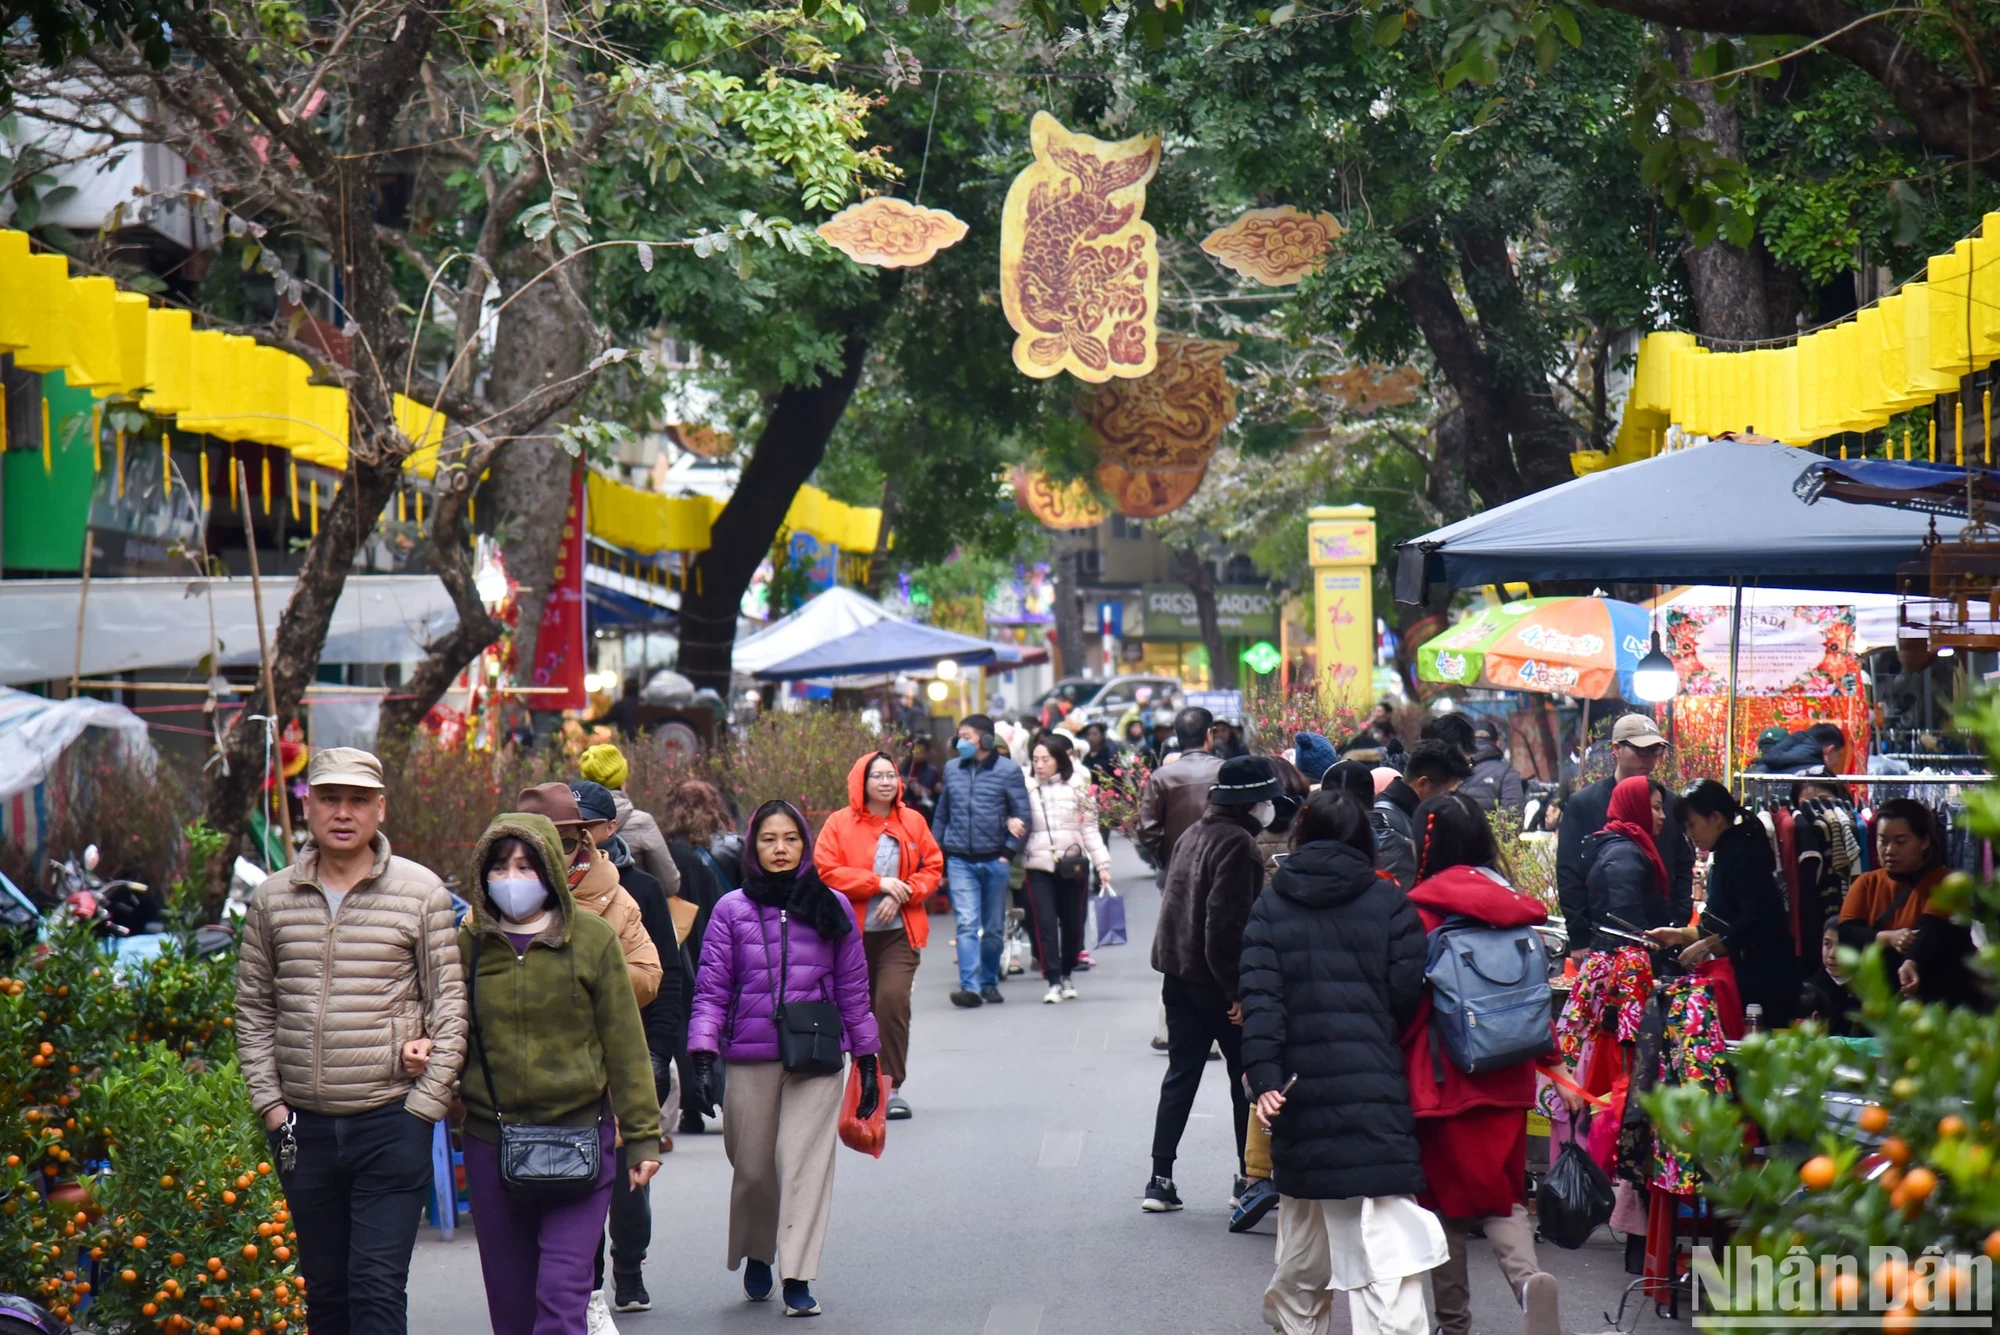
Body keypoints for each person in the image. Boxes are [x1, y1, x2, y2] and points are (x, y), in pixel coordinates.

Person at [235, 747, 468, 1335]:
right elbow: (254, 1010)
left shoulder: (421, 893)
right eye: (330, 798)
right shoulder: (272, 898)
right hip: (302, 1129)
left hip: (391, 1119)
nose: (344, 812)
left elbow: (450, 1006)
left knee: (376, 1289)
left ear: (380, 808)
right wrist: (271, 1106)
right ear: (307, 805)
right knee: (327, 1294)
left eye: (358, 800)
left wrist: (424, 1109)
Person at [1238, 790, 1445, 1335]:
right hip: (1375, 1082)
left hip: (1301, 1091)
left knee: (1305, 1240)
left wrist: (1264, 1076)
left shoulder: (1272, 903)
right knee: (1387, 1241)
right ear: (1363, 839)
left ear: (1303, 834)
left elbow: (1261, 997)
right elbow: (1406, 994)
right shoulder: (1390, 904)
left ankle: (1299, 1326)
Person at [459, 810, 663, 1335]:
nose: (512, 879)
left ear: (551, 869)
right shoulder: (470, 944)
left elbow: (625, 1044)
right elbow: (447, 1029)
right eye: (500, 867)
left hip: (580, 1142)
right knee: (511, 1307)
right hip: (492, 1141)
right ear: (482, 874)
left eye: (527, 867)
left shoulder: (593, 939)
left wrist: (642, 1138)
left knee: (560, 1300)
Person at [685, 802, 882, 1319]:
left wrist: (866, 1057)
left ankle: (797, 1272)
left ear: (805, 844)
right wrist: (702, 1055)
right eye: (769, 839)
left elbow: (854, 991)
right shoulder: (731, 909)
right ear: (753, 846)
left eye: (791, 839)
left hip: (815, 1054)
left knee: (803, 1163)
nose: (780, 849)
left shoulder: (831, 904)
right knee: (752, 1167)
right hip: (749, 1055)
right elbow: (710, 990)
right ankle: (757, 1248)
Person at [1401, 793, 1562, 1335]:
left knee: (1442, 1208)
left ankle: (1454, 1323)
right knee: (1503, 1196)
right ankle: (1528, 1281)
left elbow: (1405, 1006)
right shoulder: (1514, 907)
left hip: (1443, 1080)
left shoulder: (1420, 912)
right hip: (1510, 1074)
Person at [1145, 755, 1279, 1213]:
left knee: (1180, 1075)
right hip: (1214, 980)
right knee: (1245, 1077)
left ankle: (1159, 1179)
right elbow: (1225, 926)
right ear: (1251, 804)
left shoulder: (1192, 834)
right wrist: (1237, 990)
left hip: (1176, 974)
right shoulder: (1238, 845)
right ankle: (1248, 1180)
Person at [571, 779, 684, 1317]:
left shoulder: (638, 890)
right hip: (569, 1060)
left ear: (608, 829)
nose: (577, 840)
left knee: (627, 1174)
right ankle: (586, 1279)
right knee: (578, 1173)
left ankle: (629, 1266)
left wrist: (662, 1053)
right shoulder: (542, 894)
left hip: (630, 1049)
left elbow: (666, 977)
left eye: (585, 828)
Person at [815, 751, 944, 1120]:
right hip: (847, 936)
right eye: (878, 776)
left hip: (898, 935)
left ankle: (890, 1087)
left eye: (892, 776)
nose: (887, 782)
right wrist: (877, 884)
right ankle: (852, 1085)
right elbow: (826, 871)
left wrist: (904, 890)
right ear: (861, 782)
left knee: (891, 1003)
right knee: (852, 1012)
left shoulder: (913, 821)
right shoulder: (839, 823)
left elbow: (932, 866)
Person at [1647, 780, 1799, 1027]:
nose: (1689, 834)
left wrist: (1708, 944)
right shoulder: (1728, 850)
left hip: (1764, 984)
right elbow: (1723, 921)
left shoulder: (1744, 853)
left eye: (1692, 824)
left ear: (1716, 818)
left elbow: (1758, 919)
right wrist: (1676, 935)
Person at [1556, 714, 1693, 959]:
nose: (1650, 758)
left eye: (1655, 750)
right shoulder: (1585, 803)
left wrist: (1678, 922)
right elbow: (1569, 873)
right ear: (1616, 749)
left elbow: (1682, 864)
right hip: (1607, 936)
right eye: (1642, 750)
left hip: (1661, 932)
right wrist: (1579, 936)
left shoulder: (1668, 802)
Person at [518, 782, 662, 1009]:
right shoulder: (490, 903)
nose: (554, 854)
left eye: (565, 843)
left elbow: (648, 978)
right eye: (542, 843)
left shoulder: (621, 902)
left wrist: (591, 970)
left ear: (581, 841)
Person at [930, 713, 1032, 1009]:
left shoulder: (1008, 771)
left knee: (993, 928)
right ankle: (970, 987)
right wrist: (938, 853)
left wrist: (1007, 853)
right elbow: (942, 813)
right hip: (960, 859)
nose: (961, 742)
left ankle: (989, 981)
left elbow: (1023, 815)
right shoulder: (951, 770)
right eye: (959, 737)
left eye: (967, 737)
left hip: (995, 860)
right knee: (966, 924)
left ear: (986, 740)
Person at [657, 775, 740, 1135]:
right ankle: (728, 1095)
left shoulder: (668, 850)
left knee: (684, 1025)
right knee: (726, 1019)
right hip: (725, 940)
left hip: (681, 945)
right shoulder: (731, 848)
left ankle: (693, 1105)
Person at [1838, 799, 1974, 1004]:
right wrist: (1889, 937)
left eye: (1900, 841)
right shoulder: (1866, 883)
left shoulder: (1944, 881)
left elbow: (1931, 930)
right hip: (1879, 1001)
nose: (1889, 850)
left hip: (1939, 1001)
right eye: (1883, 840)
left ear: (1925, 841)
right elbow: (1847, 933)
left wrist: (1910, 961)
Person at [1022, 733, 1114, 1005]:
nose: (1039, 765)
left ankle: (1066, 973)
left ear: (1059, 760)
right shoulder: (1025, 786)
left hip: (1073, 864)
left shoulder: (1079, 784)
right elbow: (1013, 815)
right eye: (1035, 759)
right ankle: (1052, 979)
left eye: (1045, 759)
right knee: (1046, 924)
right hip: (1038, 864)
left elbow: (1090, 827)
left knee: (1074, 925)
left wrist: (1102, 865)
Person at [1581, 776, 1677, 948]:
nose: (1663, 816)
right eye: (1656, 808)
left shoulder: (1623, 845)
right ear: (1636, 807)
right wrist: (1646, 945)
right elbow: (1626, 913)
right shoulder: (1624, 853)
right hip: (1625, 960)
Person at [579, 743, 681, 899]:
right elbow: (669, 884)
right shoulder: (641, 823)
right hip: (637, 913)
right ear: (622, 779)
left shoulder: (571, 823)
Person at [1137, 706, 1224, 885]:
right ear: (1209, 734)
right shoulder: (1226, 770)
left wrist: (1167, 858)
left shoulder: (1162, 776)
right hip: (1221, 865)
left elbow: (1147, 829)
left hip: (1178, 869)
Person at [1371, 740, 1471, 890]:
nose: (1452, 800)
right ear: (1422, 784)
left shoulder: (1412, 814)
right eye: (1448, 793)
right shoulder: (1386, 824)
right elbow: (1401, 893)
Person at [1798, 914, 1861, 1035]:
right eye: (1827, 944)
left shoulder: (1866, 991)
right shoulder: (1808, 990)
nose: (1832, 954)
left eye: (1841, 946)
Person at [1461, 718, 1527, 816]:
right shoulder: (1506, 772)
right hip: (1488, 831)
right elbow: (1512, 815)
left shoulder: (1452, 769)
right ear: (1497, 743)